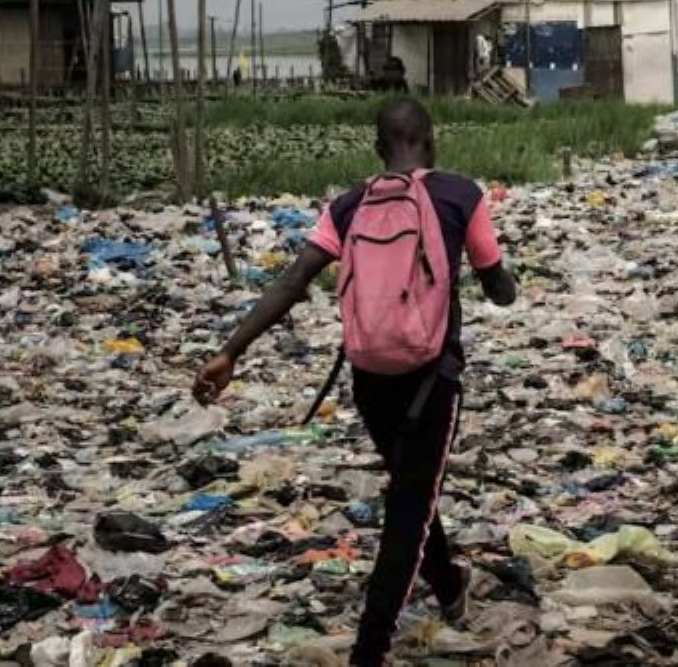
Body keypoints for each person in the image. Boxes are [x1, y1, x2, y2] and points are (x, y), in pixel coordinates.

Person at [192, 98, 517, 666]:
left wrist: (230, 352)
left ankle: (449, 586)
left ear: (378, 148)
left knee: (415, 490)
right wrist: (494, 276)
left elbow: (294, 281)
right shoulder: (462, 195)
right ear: (432, 141)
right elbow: (499, 290)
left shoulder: (346, 208)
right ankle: (369, 650)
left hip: (368, 377)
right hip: (430, 381)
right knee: (409, 507)